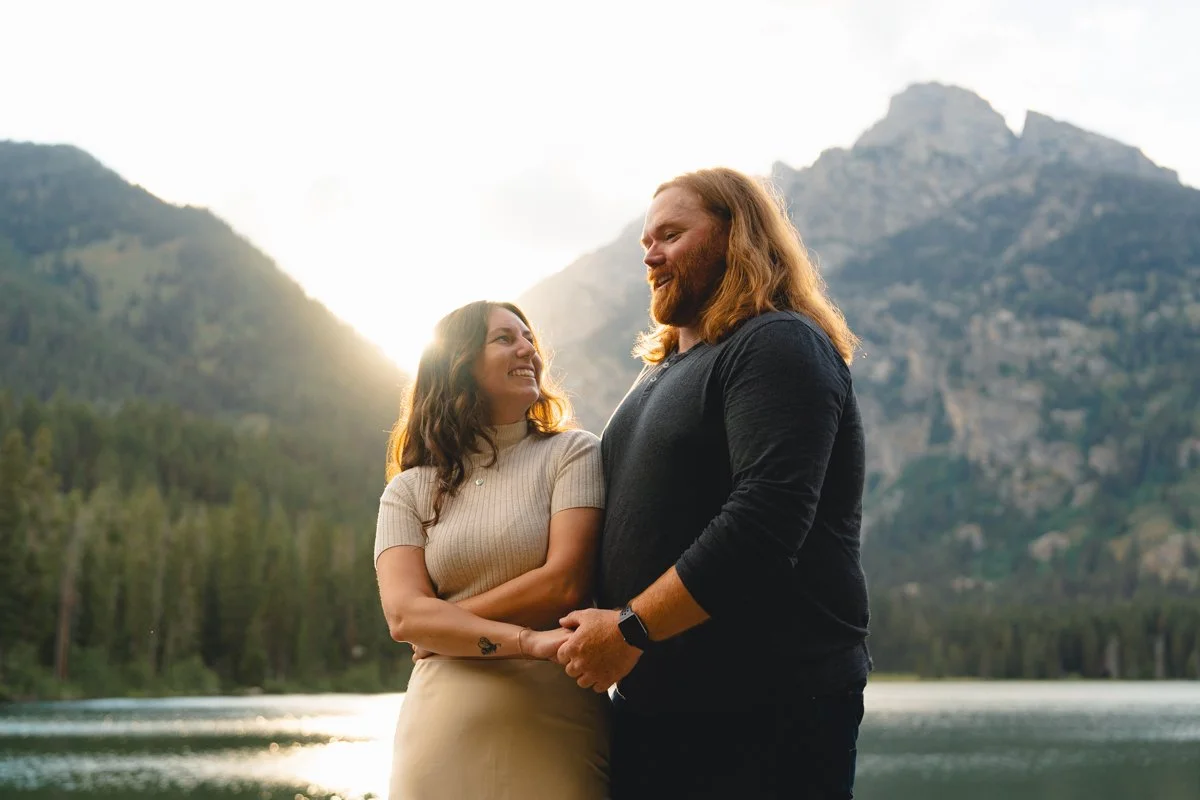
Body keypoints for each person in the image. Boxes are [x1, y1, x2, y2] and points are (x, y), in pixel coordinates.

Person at [555, 167, 871, 799]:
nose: (650, 253)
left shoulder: (776, 342)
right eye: (645, 241)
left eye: (671, 233)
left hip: (769, 712)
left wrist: (629, 630)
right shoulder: (661, 372)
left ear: (737, 234)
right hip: (658, 711)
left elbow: (765, 519)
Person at [373, 300, 609, 800]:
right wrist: (525, 640)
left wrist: (443, 626)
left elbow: (564, 582)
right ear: (459, 364)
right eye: (505, 339)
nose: (528, 349)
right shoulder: (407, 490)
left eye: (529, 339)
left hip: (554, 721)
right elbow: (403, 616)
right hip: (442, 727)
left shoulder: (573, 453)